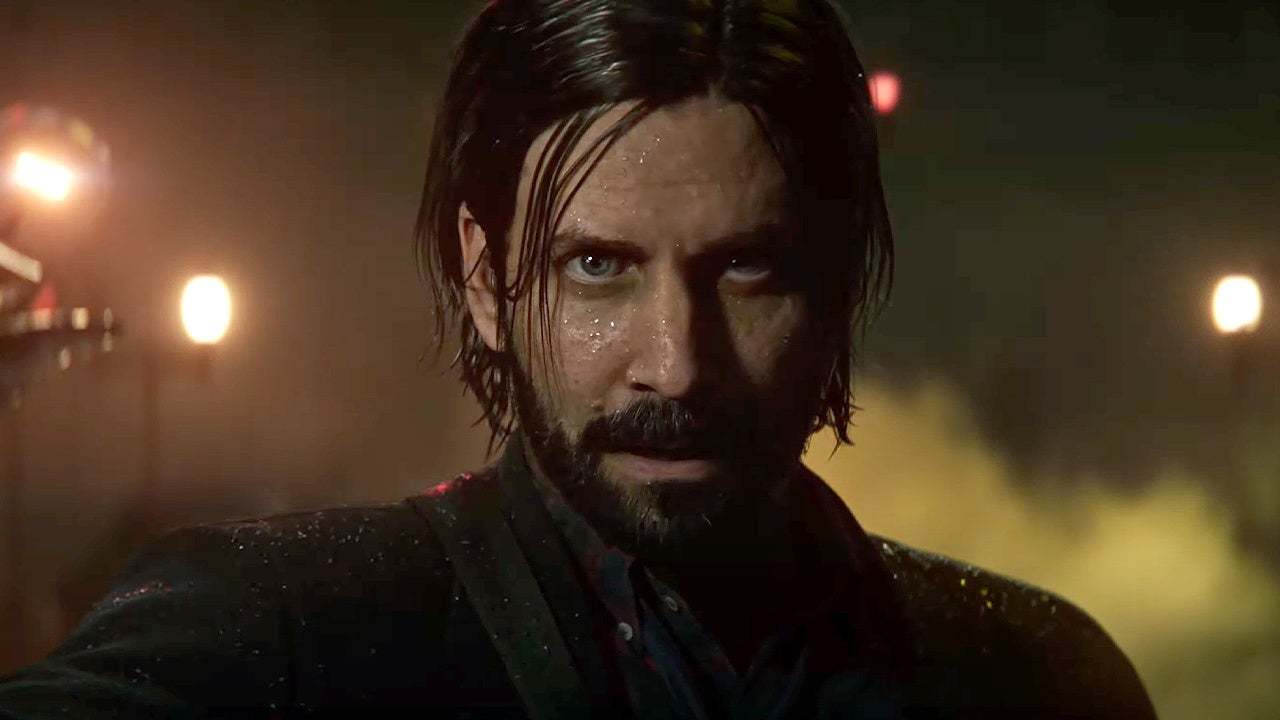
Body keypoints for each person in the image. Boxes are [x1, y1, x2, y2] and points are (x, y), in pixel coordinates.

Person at [0, 0, 1156, 717]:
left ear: (834, 279)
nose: (676, 365)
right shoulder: (280, 642)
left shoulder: (1030, 679)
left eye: (745, 270)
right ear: (485, 279)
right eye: (597, 266)